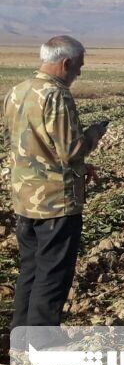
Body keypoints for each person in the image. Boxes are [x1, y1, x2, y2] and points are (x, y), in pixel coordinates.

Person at [3, 36, 109, 329]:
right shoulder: (57, 95)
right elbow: (70, 149)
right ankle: (41, 346)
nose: (79, 73)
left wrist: (79, 166)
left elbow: (21, 144)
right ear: (65, 63)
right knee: (52, 277)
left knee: (31, 271)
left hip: (25, 200)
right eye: (78, 67)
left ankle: (20, 339)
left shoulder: (16, 92)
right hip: (55, 204)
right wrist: (94, 134)